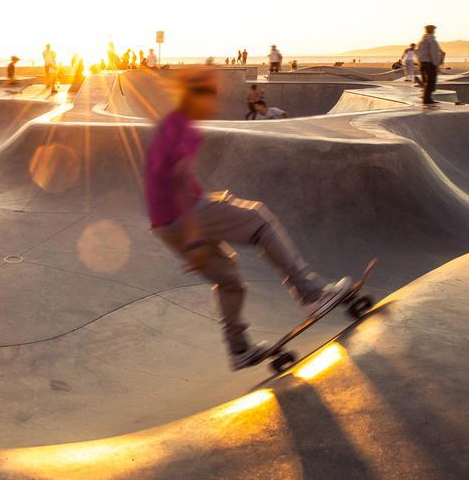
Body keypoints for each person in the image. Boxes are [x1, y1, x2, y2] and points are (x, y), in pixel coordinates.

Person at [146, 68, 351, 369]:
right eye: (210, 95)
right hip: (184, 214)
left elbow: (168, 179)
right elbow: (176, 181)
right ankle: (312, 295)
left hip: (165, 226)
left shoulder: (171, 126)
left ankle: (238, 349)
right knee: (258, 219)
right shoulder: (182, 127)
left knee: (229, 281)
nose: (214, 101)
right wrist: (194, 243)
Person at [417, 25, 443, 105]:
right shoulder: (431, 40)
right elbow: (433, 53)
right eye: (433, 29)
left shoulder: (422, 41)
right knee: (431, 80)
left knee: (427, 81)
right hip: (429, 63)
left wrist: (420, 62)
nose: (434, 31)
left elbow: (417, 52)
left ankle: (426, 97)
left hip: (422, 63)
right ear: (432, 30)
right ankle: (427, 98)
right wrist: (436, 65)